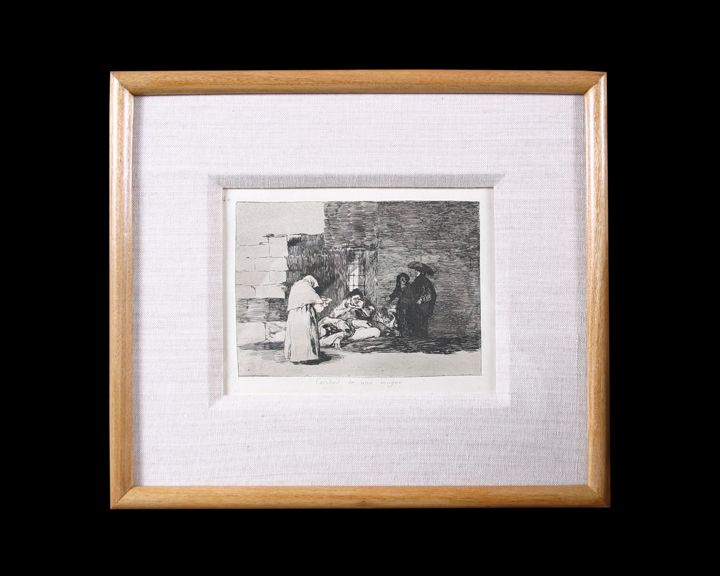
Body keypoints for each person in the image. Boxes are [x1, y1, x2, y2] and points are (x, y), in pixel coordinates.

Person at [284, 275, 331, 363]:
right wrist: (323, 301)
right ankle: (307, 356)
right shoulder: (306, 287)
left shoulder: (295, 286)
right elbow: (315, 298)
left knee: (296, 334)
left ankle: (295, 356)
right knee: (306, 333)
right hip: (303, 313)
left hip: (293, 314)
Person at [406, 266, 436, 337]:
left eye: (417, 271)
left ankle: (421, 338)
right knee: (419, 324)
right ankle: (419, 338)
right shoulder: (418, 280)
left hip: (422, 307)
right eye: (416, 270)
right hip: (418, 306)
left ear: (422, 272)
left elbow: (430, 294)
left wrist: (421, 299)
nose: (415, 272)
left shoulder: (423, 281)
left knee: (421, 324)